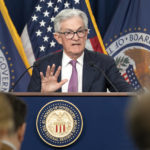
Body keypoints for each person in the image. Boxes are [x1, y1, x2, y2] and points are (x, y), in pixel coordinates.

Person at [28, 8, 133, 92]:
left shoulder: (103, 63)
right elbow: (30, 106)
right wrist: (43, 95)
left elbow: (125, 92)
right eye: (68, 33)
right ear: (58, 38)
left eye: (80, 31)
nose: (76, 37)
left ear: (86, 34)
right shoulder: (42, 66)